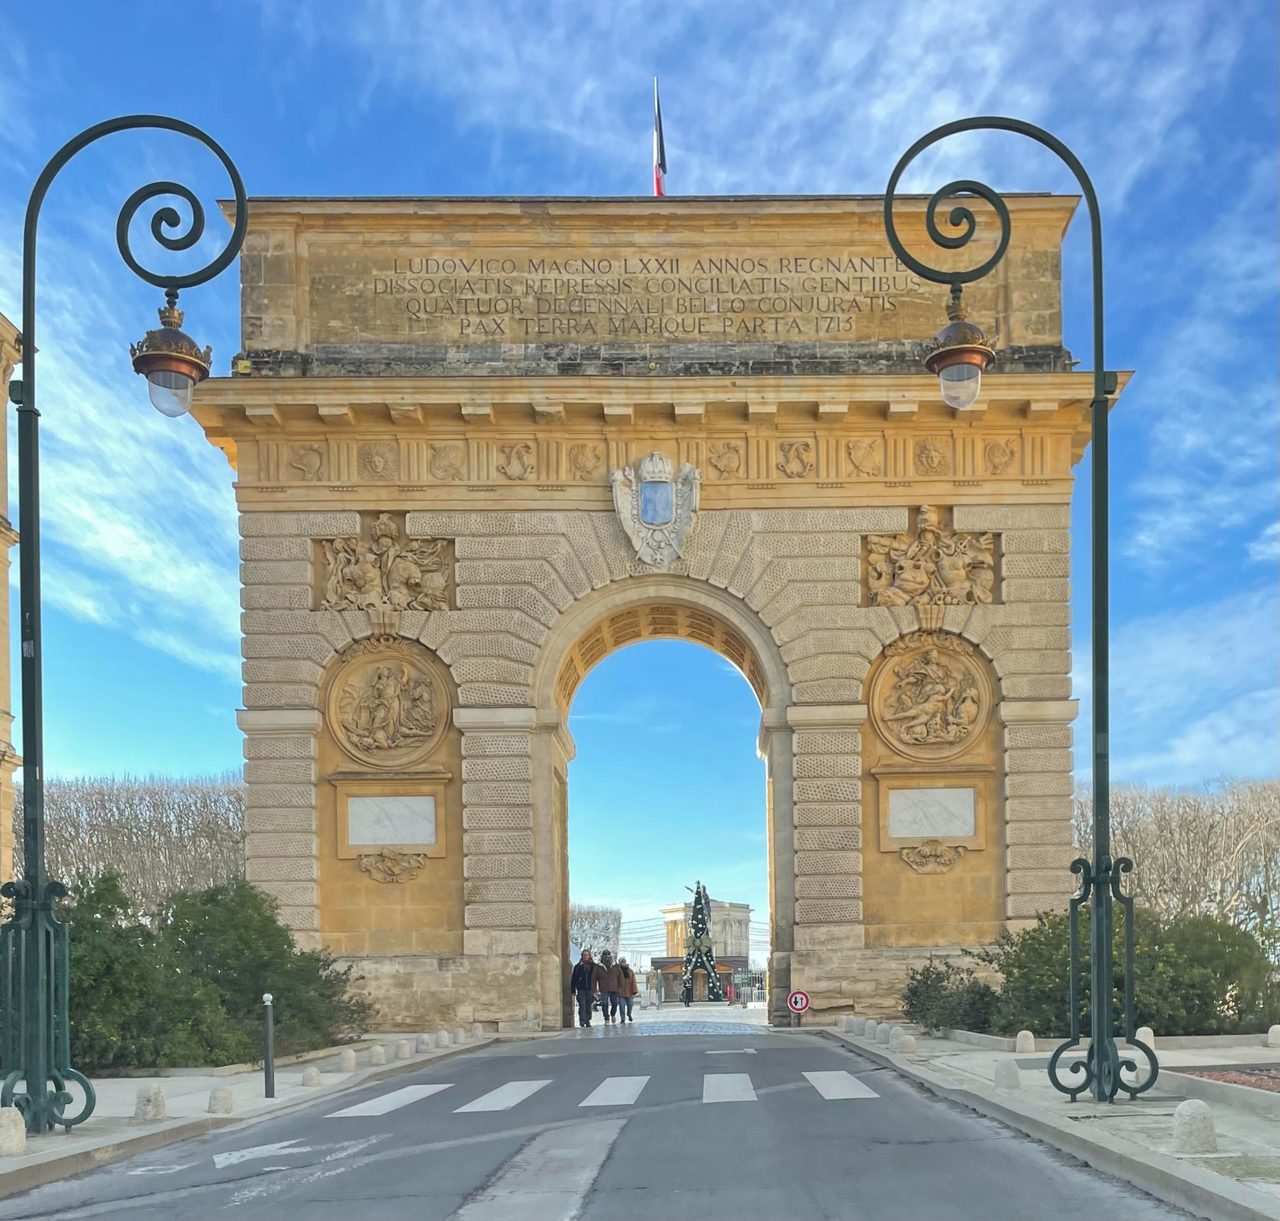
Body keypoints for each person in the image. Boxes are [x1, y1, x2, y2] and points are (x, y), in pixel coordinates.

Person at [570, 949, 603, 1028]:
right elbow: (574, 978)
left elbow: (598, 977)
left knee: (588, 1005)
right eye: (584, 955)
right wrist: (573, 989)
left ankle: (587, 1020)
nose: (586, 956)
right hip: (581, 989)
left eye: (587, 955)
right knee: (582, 1005)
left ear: (589, 956)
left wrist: (597, 988)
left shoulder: (593, 966)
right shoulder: (578, 966)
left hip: (590, 989)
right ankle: (582, 1020)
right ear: (582, 956)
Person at [598, 950, 622, 1024]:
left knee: (615, 1003)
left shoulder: (616, 966)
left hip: (614, 988)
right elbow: (593, 978)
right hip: (604, 988)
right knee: (604, 1003)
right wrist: (594, 988)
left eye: (608, 954)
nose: (607, 956)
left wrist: (621, 987)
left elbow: (621, 977)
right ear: (603, 956)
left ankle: (613, 1014)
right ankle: (606, 1018)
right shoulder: (599, 966)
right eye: (605, 955)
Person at [616, 957, 639, 1023]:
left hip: (629, 992)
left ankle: (629, 1014)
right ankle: (622, 1018)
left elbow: (633, 981)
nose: (623, 963)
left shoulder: (630, 971)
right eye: (621, 962)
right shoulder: (617, 971)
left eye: (624, 961)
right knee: (622, 1007)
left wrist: (634, 990)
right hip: (621, 992)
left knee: (630, 1005)